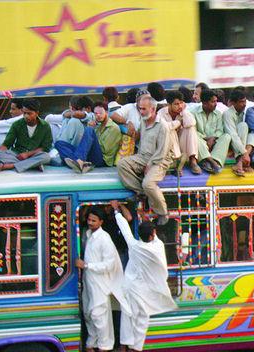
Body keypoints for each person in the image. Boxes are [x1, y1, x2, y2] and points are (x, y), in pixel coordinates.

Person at [111, 203, 177, 352]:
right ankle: (136, 349)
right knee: (141, 322)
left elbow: (125, 229)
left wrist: (116, 211)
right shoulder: (158, 247)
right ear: (152, 235)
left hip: (130, 289)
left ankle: (123, 348)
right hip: (144, 292)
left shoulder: (134, 246)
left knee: (127, 319)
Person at [75, 206, 131, 352]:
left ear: (101, 222)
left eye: (94, 220)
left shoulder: (104, 238)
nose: (90, 222)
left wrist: (87, 265)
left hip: (100, 283)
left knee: (99, 315)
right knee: (88, 313)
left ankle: (104, 347)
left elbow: (109, 265)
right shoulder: (87, 234)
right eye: (89, 219)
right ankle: (90, 344)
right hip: (89, 281)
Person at [117, 96, 173, 226]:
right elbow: (138, 138)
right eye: (139, 109)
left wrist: (150, 164)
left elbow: (162, 152)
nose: (141, 112)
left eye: (143, 109)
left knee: (148, 183)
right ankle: (142, 193)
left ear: (152, 109)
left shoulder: (162, 126)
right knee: (121, 164)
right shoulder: (143, 121)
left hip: (159, 160)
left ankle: (163, 212)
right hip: (142, 157)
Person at [56, 102, 121, 173]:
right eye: (96, 113)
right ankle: (79, 162)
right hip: (91, 155)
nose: (98, 115)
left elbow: (105, 150)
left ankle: (78, 160)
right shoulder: (98, 126)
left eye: (100, 113)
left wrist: (90, 136)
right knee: (59, 143)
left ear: (106, 112)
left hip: (102, 160)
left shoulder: (114, 128)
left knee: (89, 130)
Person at [0, 98, 52, 172]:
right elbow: (6, 144)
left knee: (46, 157)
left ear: (37, 113)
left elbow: (45, 148)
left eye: (29, 113)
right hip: (17, 155)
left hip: (34, 155)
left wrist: (27, 154)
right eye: (24, 113)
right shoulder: (17, 124)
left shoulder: (45, 126)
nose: (26, 116)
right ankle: (33, 165)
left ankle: (11, 165)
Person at [157, 90, 201, 174]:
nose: (180, 106)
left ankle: (193, 160)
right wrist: (177, 123)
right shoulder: (161, 114)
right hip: (168, 149)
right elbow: (164, 128)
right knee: (170, 131)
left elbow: (191, 123)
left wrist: (183, 111)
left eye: (181, 103)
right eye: (176, 104)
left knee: (190, 128)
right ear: (169, 105)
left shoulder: (183, 111)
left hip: (182, 146)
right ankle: (175, 164)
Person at [191, 89, 231, 174]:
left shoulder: (218, 114)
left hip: (214, 143)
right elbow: (193, 131)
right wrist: (205, 138)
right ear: (204, 103)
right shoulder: (193, 113)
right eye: (213, 102)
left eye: (216, 101)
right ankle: (209, 161)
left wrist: (213, 138)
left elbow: (220, 131)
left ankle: (215, 161)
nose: (216, 104)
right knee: (193, 136)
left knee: (227, 136)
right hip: (200, 143)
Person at [223, 89, 254, 176]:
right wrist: (244, 153)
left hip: (240, 145)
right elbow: (232, 135)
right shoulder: (228, 114)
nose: (244, 104)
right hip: (230, 142)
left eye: (245, 101)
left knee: (253, 135)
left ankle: (241, 162)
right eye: (241, 102)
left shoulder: (242, 112)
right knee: (243, 126)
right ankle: (241, 161)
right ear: (233, 103)